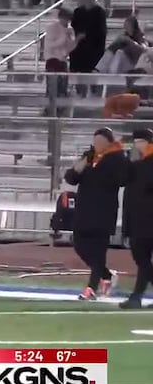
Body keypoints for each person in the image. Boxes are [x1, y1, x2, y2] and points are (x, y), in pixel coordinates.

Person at [63, 127, 129, 301]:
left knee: (99, 251)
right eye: (95, 141)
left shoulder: (117, 157)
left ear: (108, 142)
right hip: (84, 209)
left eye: (100, 141)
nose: (97, 144)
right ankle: (106, 275)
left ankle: (90, 288)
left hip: (103, 211)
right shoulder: (89, 156)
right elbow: (71, 178)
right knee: (79, 246)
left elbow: (123, 180)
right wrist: (85, 160)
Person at [119, 129, 153, 309]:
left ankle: (136, 296)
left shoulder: (143, 165)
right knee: (143, 260)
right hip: (139, 220)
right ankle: (136, 297)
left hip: (145, 220)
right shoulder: (137, 165)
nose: (136, 145)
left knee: (143, 259)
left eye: (138, 141)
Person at [69, 0, 106, 97]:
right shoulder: (78, 11)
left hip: (94, 46)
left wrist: (87, 35)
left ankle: (93, 90)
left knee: (91, 68)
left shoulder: (99, 12)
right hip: (79, 46)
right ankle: (80, 91)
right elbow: (73, 27)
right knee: (78, 67)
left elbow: (101, 31)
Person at [44, 8, 78, 105]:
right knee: (52, 88)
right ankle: (49, 109)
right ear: (60, 18)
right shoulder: (52, 28)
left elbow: (69, 49)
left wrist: (75, 41)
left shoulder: (69, 29)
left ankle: (60, 110)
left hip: (63, 61)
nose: (67, 21)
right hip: (52, 60)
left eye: (69, 19)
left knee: (63, 88)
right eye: (66, 19)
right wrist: (64, 35)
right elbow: (50, 45)